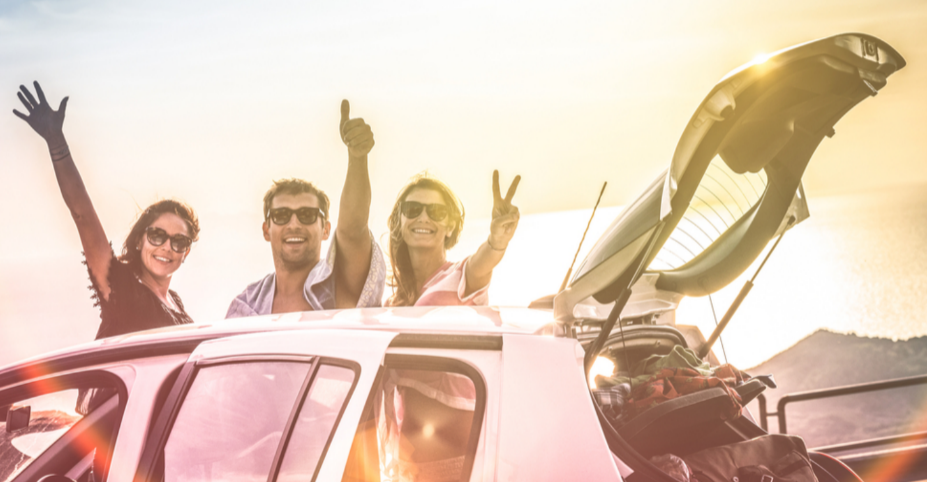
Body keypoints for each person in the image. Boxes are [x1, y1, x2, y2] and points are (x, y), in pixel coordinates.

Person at [13, 81, 200, 339]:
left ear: (186, 252)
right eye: (157, 236)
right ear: (139, 240)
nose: (167, 247)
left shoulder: (175, 303)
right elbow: (83, 216)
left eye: (178, 241)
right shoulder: (123, 290)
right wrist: (56, 142)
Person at [226, 100, 385, 317]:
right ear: (266, 230)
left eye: (307, 215)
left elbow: (353, 231)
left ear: (326, 229)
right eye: (281, 215)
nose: (294, 224)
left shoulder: (338, 289)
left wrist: (357, 158)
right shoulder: (246, 306)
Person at [386, 171, 521, 307]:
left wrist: (497, 241)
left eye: (436, 211)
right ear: (399, 221)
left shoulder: (461, 276)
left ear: (450, 226)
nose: (423, 218)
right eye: (412, 209)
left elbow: (481, 264)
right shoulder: (392, 303)